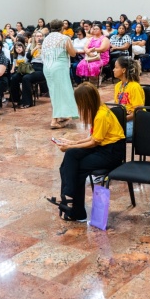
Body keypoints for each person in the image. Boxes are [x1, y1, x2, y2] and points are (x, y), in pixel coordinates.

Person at [49, 83, 126, 222]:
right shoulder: (98, 110)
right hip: (103, 147)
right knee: (71, 156)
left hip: (112, 153)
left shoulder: (101, 115)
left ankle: (74, 207)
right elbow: (93, 138)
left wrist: (70, 146)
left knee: (74, 167)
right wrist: (72, 144)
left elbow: (93, 142)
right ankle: (68, 198)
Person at [41, 19, 79, 129]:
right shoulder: (65, 38)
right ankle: (54, 120)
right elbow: (73, 53)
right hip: (59, 67)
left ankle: (61, 115)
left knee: (54, 92)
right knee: (61, 92)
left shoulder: (46, 38)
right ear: (62, 27)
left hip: (47, 67)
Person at [112, 56, 144, 138]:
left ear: (123, 70)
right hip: (122, 118)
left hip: (135, 120)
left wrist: (123, 119)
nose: (113, 70)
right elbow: (117, 106)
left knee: (112, 134)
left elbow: (138, 111)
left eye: (116, 67)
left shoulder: (135, 87)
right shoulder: (117, 86)